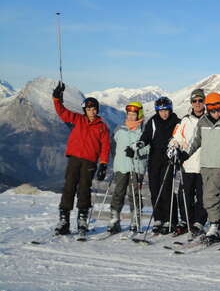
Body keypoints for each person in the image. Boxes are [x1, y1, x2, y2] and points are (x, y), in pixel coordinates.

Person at [179, 92, 220, 243]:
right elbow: (195, 141)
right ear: (208, 109)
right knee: (207, 198)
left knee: (209, 197)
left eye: (219, 109)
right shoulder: (203, 122)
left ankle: (215, 225)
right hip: (205, 165)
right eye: (212, 110)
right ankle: (219, 224)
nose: (216, 113)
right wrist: (185, 154)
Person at [52, 82, 110, 237]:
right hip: (74, 159)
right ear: (85, 110)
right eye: (89, 109)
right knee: (69, 187)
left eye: (94, 108)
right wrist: (57, 98)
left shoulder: (102, 127)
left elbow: (105, 147)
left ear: (97, 110)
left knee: (84, 189)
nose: (92, 111)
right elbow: (62, 112)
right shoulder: (78, 119)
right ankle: (64, 220)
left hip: (90, 162)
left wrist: (103, 164)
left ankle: (82, 220)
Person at [135, 97, 181, 235]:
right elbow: (146, 135)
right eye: (161, 111)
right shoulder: (153, 121)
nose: (164, 113)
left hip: (169, 159)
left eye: (166, 110)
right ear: (157, 111)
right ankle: (158, 219)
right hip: (154, 159)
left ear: (170, 109)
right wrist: (142, 143)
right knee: (155, 189)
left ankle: (170, 220)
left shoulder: (176, 122)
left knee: (167, 189)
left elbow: (180, 137)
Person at [169, 89, 208, 237]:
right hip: (187, 164)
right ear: (191, 103)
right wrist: (174, 150)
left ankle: (199, 222)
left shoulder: (210, 119)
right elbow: (176, 138)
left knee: (203, 196)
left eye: (200, 100)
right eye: (194, 101)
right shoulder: (185, 120)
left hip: (205, 164)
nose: (197, 104)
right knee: (184, 195)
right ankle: (185, 221)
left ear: (204, 102)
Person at [108, 102, 149, 234]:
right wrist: (116, 159)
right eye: (129, 114)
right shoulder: (119, 129)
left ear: (139, 115)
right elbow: (113, 146)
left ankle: (135, 220)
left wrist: (137, 152)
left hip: (136, 167)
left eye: (134, 114)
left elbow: (148, 149)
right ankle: (114, 219)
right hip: (121, 166)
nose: (131, 117)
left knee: (134, 194)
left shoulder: (143, 131)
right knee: (118, 192)